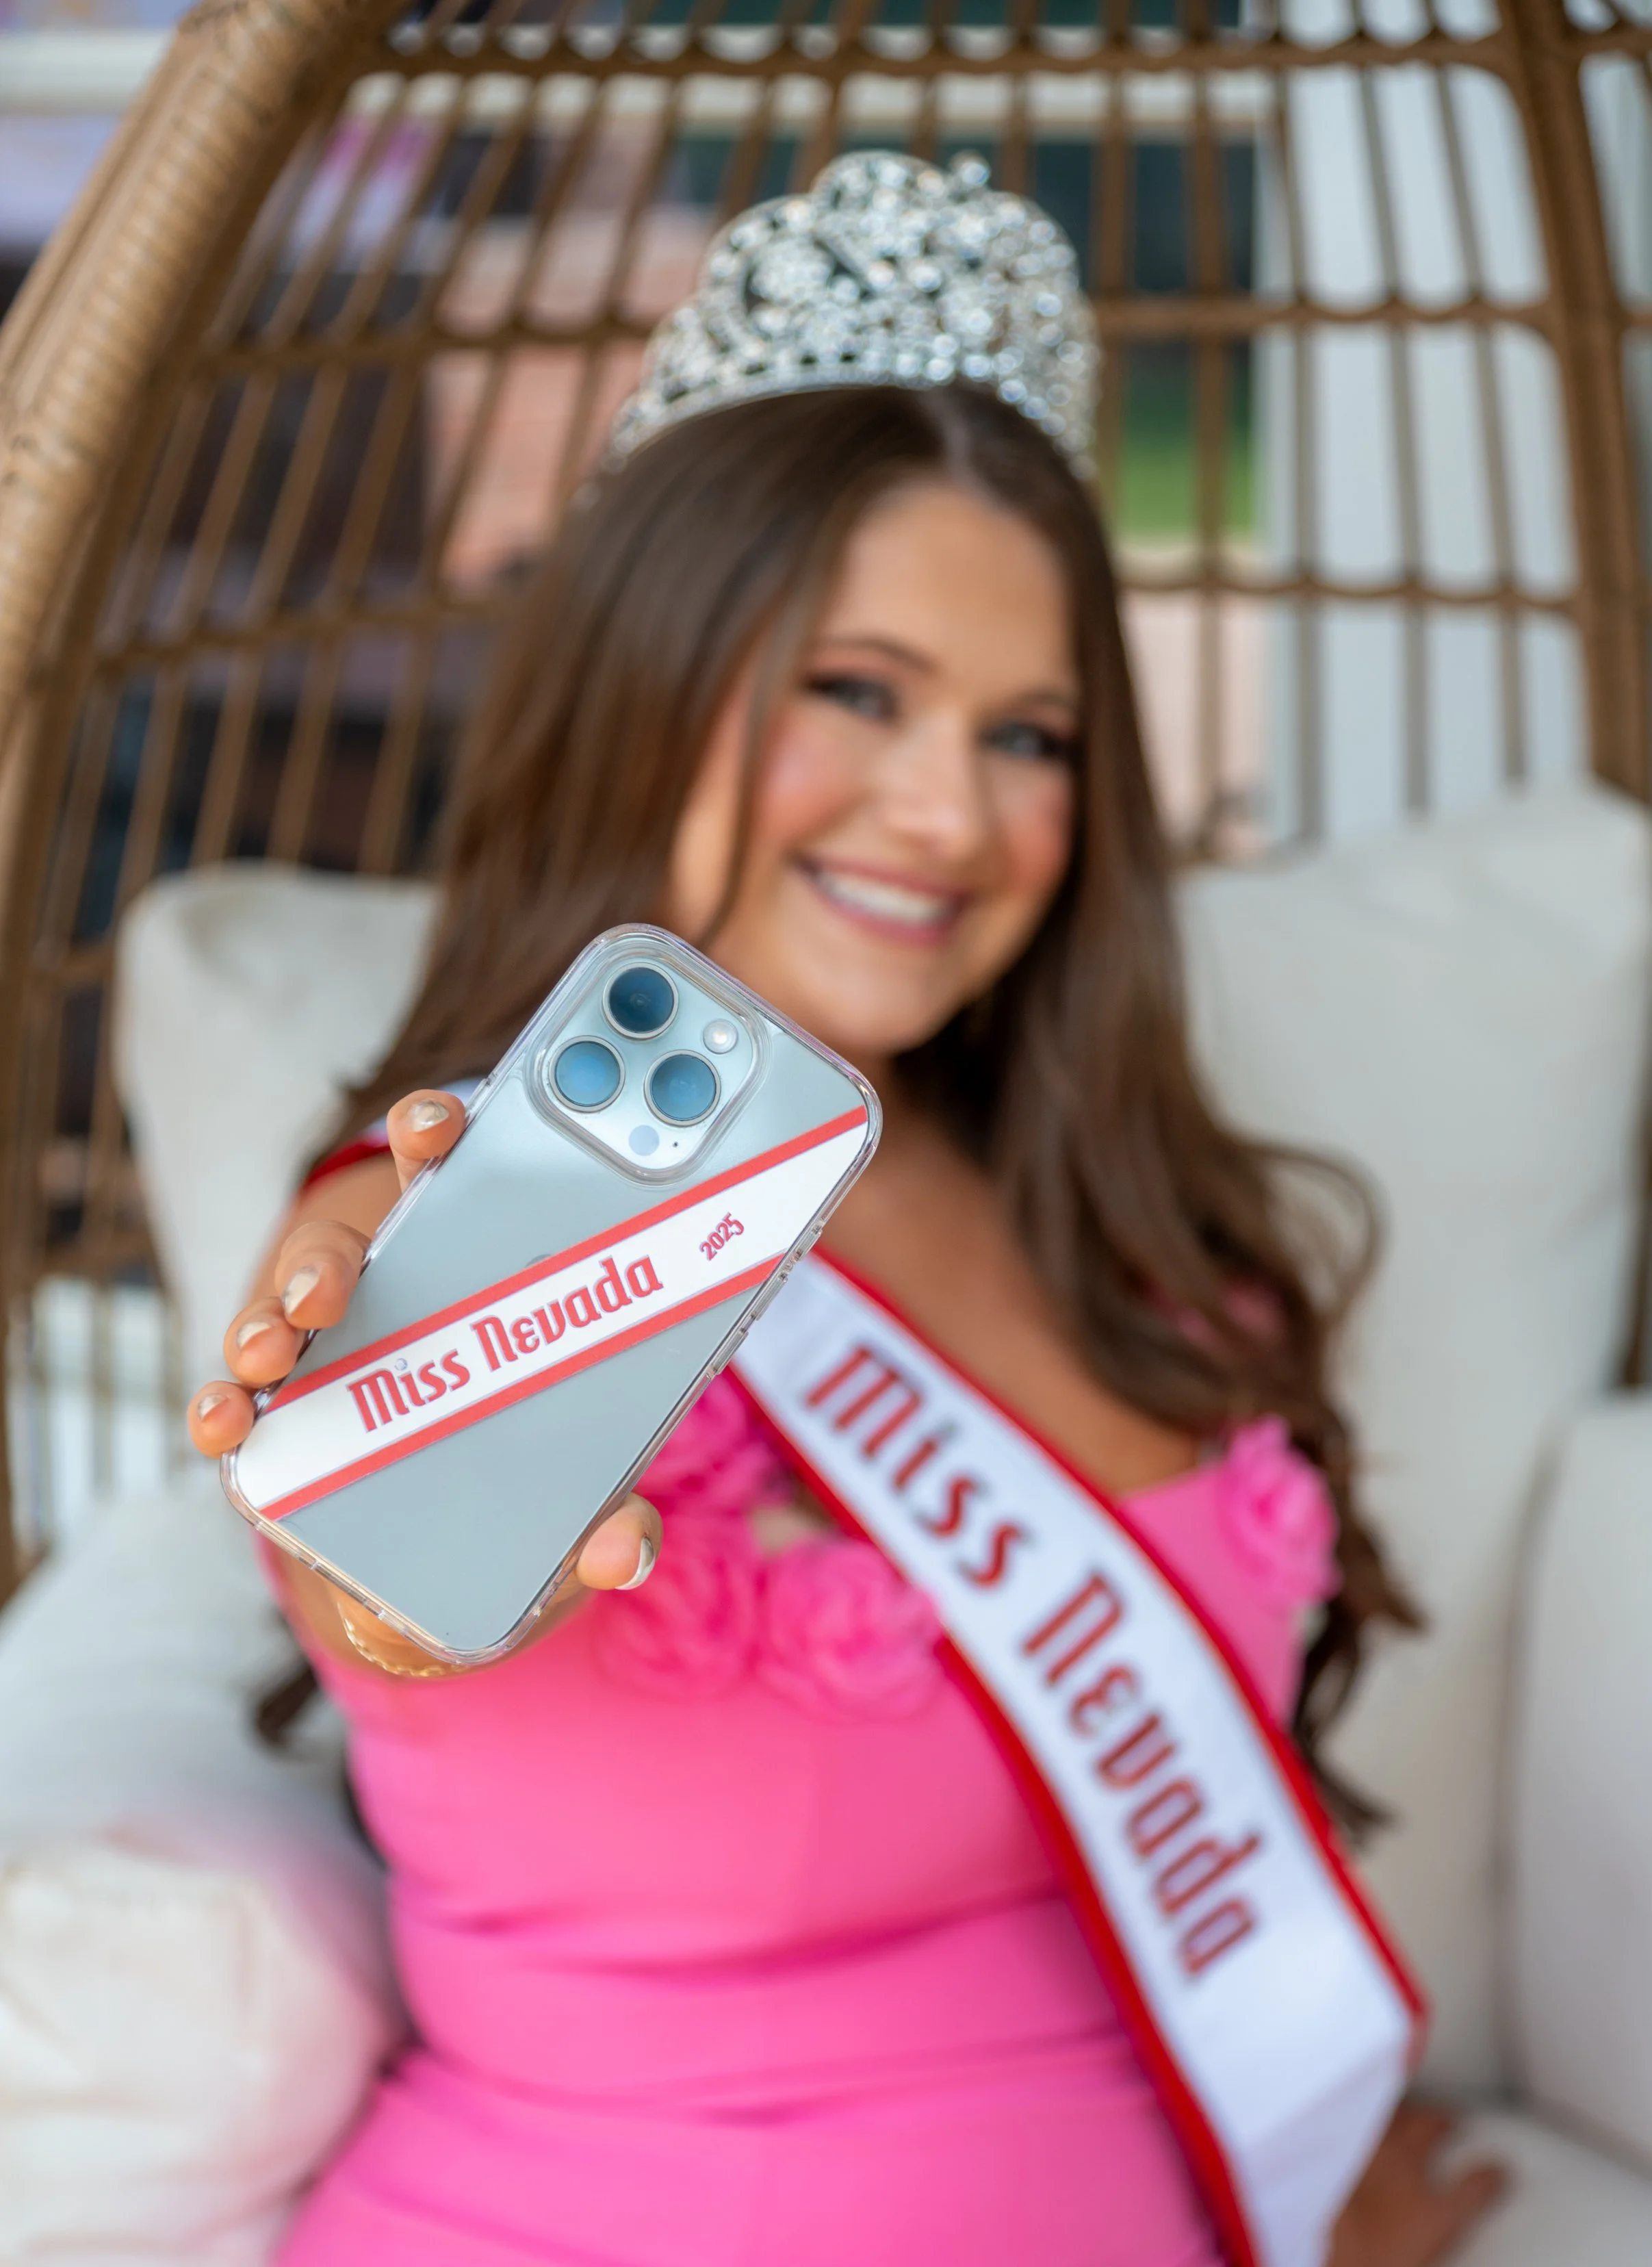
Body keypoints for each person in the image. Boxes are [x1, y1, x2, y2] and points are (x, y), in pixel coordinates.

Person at [188, 152, 1503, 2267]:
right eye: (857, 690)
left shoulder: (1129, 1227)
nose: (949, 814)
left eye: (1030, 732)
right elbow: (395, 1567)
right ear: (654, 669)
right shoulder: (447, 1214)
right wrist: (398, 1463)